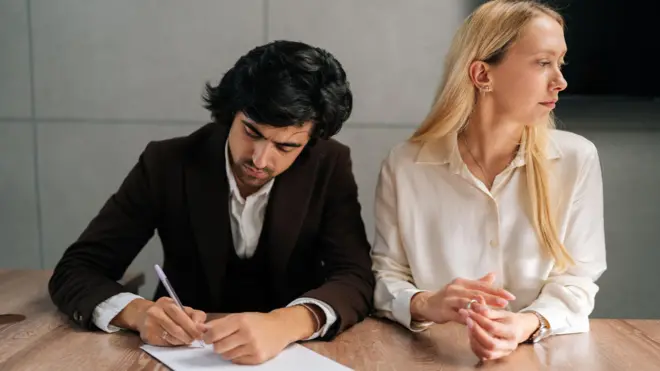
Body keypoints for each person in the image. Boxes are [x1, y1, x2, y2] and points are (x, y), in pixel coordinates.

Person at [49, 40, 374, 365]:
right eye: (251, 132)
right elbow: (76, 270)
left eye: (285, 147)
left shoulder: (329, 165)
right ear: (232, 112)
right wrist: (138, 313)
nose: (260, 160)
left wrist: (286, 324)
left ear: (310, 140)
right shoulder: (166, 163)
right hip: (180, 355)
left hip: (294, 355)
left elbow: (355, 276)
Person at [371, 0, 606, 362]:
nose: (561, 81)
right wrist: (426, 303)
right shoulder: (405, 165)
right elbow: (386, 277)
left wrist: (523, 325)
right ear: (482, 75)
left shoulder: (577, 160)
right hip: (428, 357)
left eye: (560, 63)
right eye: (544, 63)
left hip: (544, 356)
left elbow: (578, 280)